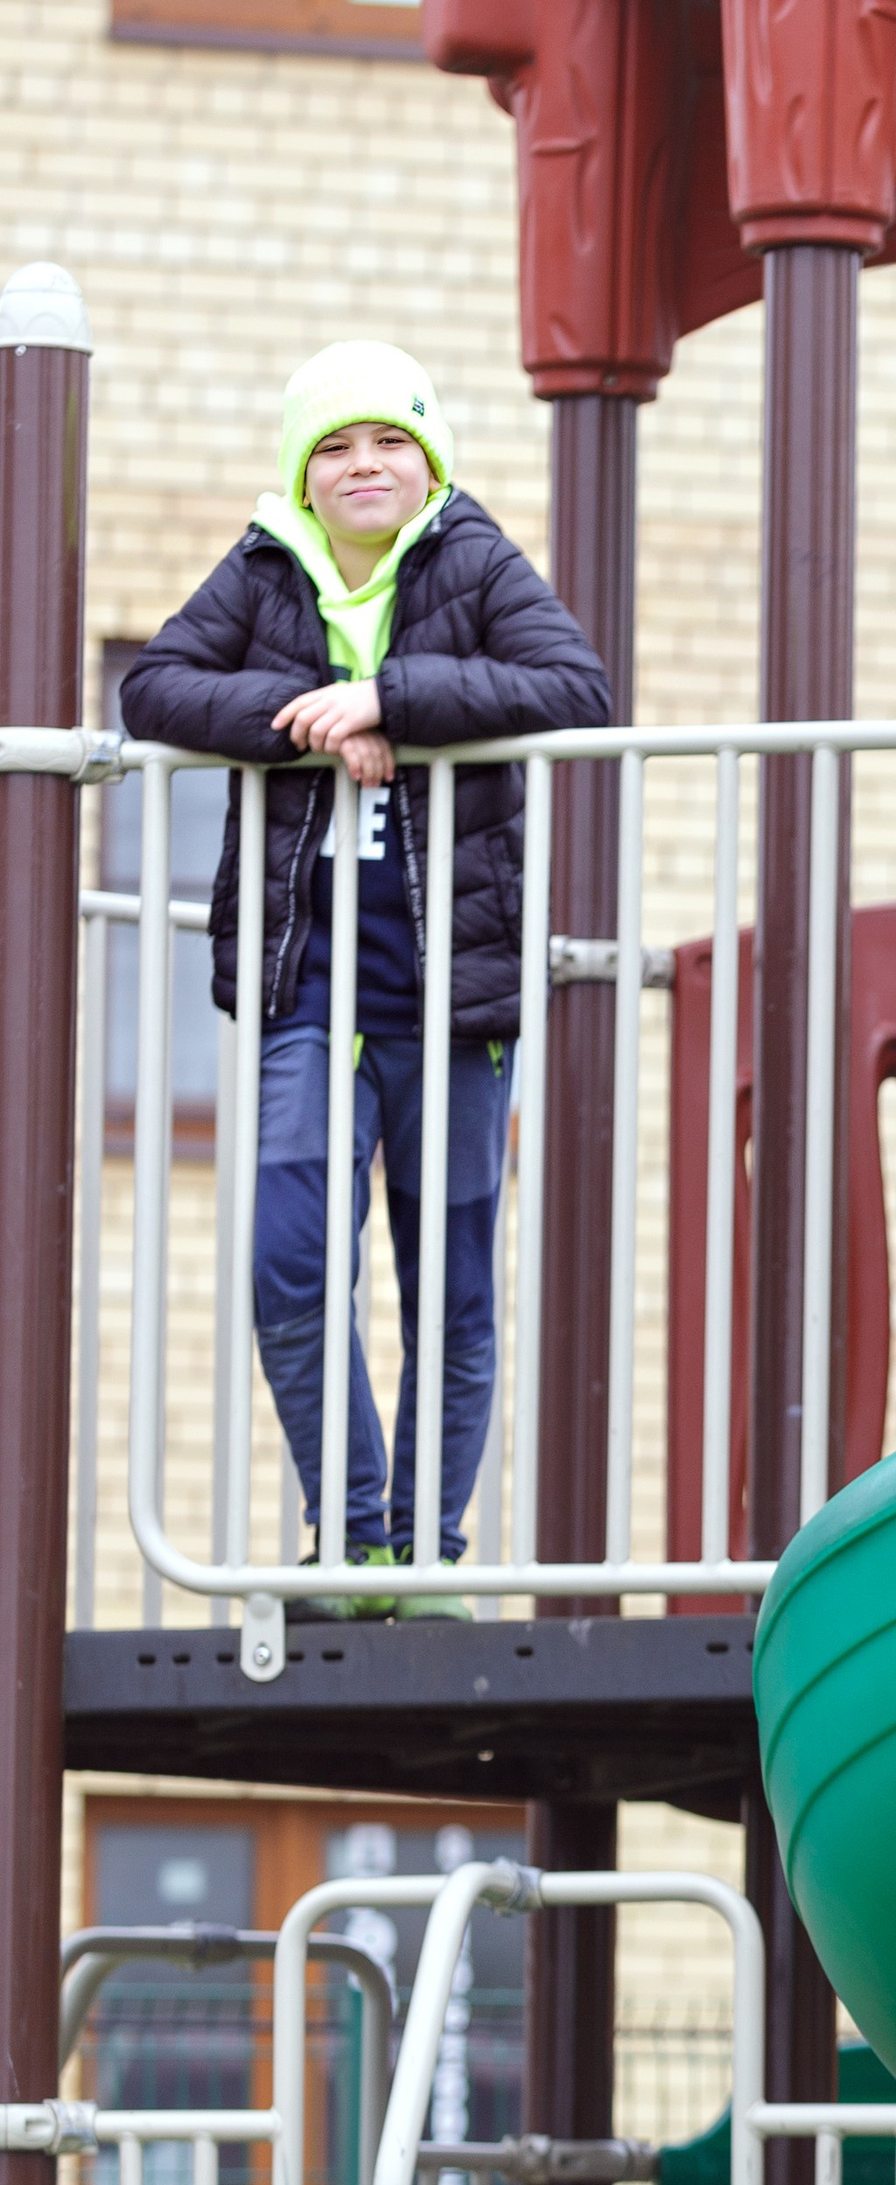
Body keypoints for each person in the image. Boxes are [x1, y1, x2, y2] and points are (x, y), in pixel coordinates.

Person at [121, 341, 610, 1616]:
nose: (363, 466)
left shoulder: (473, 557)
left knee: (447, 1284)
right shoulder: (265, 563)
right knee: (290, 1263)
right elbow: (152, 686)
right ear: (303, 469)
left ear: (428, 456)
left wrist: (393, 699)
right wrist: (314, 714)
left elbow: (577, 686)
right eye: (333, 446)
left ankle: (429, 1554)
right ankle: (353, 1541)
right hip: (306, 998)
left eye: (388, 440)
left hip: (453, 1003)